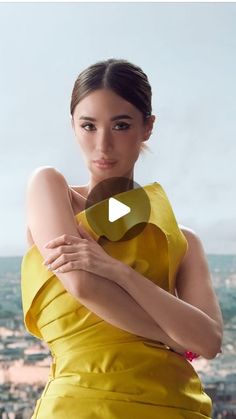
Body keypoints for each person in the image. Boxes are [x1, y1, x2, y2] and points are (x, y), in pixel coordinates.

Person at [21, 58, 223, 418]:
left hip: (175, 404)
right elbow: (83, 284)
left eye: (121, 125)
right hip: (79, 404)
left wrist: (119, 271)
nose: (103, 144)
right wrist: (174, 338)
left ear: (147, 127)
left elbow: (208, 341)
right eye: (88, 126)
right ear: (73, 126)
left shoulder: (184, 242)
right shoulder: (51, 189)